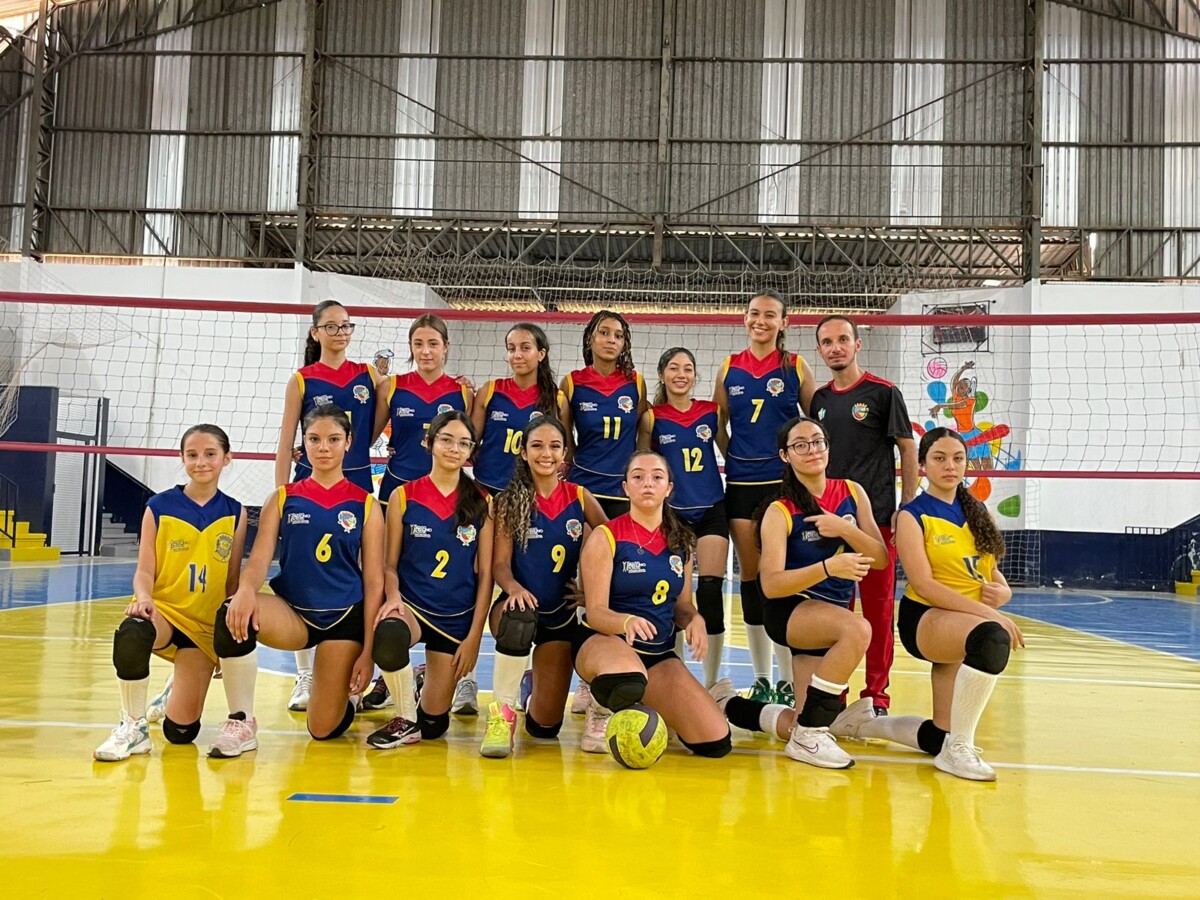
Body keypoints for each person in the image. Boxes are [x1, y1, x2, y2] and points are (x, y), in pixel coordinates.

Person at [832, 428, 1023, 781]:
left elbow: (990, 572)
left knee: (939, 735)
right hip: (927, 618)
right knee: (993, 637)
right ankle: (959, 749)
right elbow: (924, 585)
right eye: (939, 458)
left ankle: (861, 723)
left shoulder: (977, 510)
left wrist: (1004, 593)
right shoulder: (912, 515)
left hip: (965, 620)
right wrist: (989, 613)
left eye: (958, 458)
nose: (950, 466)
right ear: (922, 465)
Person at [717, 416, 887, 769]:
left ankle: (727, 704)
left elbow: (882, 558)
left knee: (800, 717)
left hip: (830, 612)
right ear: (785, 455)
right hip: (791, 610)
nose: (812, 450)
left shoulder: (852, 492)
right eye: (800, 445)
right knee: (858, 630)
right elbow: (770, 584)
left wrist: (844, 528)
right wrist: (828, 568)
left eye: (817, 441)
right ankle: (809, 737)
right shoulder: (779, 510)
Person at [219, 405, 384, 743]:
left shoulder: (365, 504)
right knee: (231, 613)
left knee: (323, 730)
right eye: (314, 439)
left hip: (344, 618)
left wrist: (368, 653)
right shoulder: (283, 498)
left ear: (348, 442)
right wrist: (245, 590)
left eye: (333, 439)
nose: (323, 447)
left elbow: (374, 582)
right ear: (304, 443)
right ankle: (241, 721)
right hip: (294, 614)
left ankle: (344, 695)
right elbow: (259, 558)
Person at [94, 425, 252, 761]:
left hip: (203, 627)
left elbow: (232, 581)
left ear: (227, 458)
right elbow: (144, 571)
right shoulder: (159, 506)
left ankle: (176, 686)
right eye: (192, 455)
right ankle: (133, 727)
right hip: (164, 612)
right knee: (133, 631)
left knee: (181, 733)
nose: (200, 462)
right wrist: (144, 598)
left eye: (210, 454)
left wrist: (224, 644)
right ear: (182, 458)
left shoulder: (235, 511)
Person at [573, 450, 732, 759]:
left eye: (657, 477)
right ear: (625, 487)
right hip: (605, 642)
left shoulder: (682, 541)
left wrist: (694, 619)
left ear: (669, 487)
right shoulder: (606, 536)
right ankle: (600, 707)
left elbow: (682, 606)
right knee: (628, 678)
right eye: (638, 477)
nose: (648, 483)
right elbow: (596, 612)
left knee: (715, 742)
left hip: (657, 653)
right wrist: (626, 622)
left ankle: (649, 701)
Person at [366, 411, 495, 749]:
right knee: (389, 634)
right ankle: (405, 718)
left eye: (463, 443)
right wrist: (393, 597)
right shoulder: (403, 496)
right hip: (412, 607)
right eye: (446, 440)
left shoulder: (482, 501)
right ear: (430, 442)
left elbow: (486, 576)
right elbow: (389, 565)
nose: (454, 449)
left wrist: (474, 637)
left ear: (471, 451)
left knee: (435, 726)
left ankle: (423, 693)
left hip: (455, 617)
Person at [274, 300, 379, 714]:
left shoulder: (368, 375)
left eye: (346, 326)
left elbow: (377, 427)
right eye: (331, 326)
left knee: (360, 575)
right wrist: (281, 493)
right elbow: (286, 440)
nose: (339, 332)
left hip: (356, 482)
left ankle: (359, 671)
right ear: (315, 332)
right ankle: (305, 673)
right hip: (307, 486)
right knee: (302, 573)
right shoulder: (302, 379)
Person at [812, 314, 917, 715]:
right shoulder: (819, 400)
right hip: (828, 523)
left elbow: (907, 449)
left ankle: (876, 696)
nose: (835, 347)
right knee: (834, 613)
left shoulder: (883, 392)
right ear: (820, 350)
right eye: (827, 342)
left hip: (877, 522)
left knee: (877, 611)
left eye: (842, 339)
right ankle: (832, 694)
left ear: (858, 344)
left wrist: (907, 507)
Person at [483, 416, 607, 757]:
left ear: (564, 453)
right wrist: (513, 589)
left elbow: (613, 543)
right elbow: (500, 565)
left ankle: (529, 689)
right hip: (517, 607)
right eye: (537, 446)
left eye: (554, 446)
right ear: (523, 452)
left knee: (545, 728)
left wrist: (591, 592)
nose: (546, 454)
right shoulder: (509, 500)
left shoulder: (580, 497)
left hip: (560, 613)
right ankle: (501, 717)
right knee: (518, 620)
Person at [371, 314, 476, 715]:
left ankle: (460, 676)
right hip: (399, 490)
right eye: (419, 344)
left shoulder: (462, 392)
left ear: (446, 346)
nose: (426, 351)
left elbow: (472, 442)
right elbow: (366, 437)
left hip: (448, 496)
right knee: (385, 575)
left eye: (433, 343)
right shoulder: (393, 386)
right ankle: (385, 674)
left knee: (455, 575)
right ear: (411, 347)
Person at [714, 291, 815, 704]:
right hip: (742, 484)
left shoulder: (796, 366)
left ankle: (788, 680)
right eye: (754, 313)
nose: (761, 320)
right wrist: (737, 458)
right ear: (744, 319)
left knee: (784, 577)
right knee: (752, 578)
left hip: (783, 486)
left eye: (770, 315)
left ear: (784, 323)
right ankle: (761, 678)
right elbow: (717, 424)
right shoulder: (729, 367)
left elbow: (814, 425)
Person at [561, 310, 647, 716]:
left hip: (622, 494)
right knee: (584, 587)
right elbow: (565, 437)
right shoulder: (573, 382)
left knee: (618, 587)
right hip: (586, 490)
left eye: (618, 335)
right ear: (590, 339)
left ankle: (615, 671)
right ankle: (585, 677)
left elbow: (644, 432)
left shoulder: (636, 382)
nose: (611, 340)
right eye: (604, 333)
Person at [637, 347, 729, 688]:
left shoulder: (711, 412)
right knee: (675, 594)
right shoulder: (652, 418)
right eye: (674, 368)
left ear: (694, 375)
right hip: (673, 513)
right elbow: (643, 464)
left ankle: (712, 682)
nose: (681, 374)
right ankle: (674, 676)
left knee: (710, 591)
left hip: (711, 508)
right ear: (662, 375)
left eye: (688, 368)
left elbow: (731, 451)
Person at [471, 323, 563, 495]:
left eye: (525, 348)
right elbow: (470, 442)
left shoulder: (556, 399)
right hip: (486, 488)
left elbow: (563, 450)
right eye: (511, 349)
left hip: (529, 493)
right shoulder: (489, 391)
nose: (517, 355)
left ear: (541, 354)